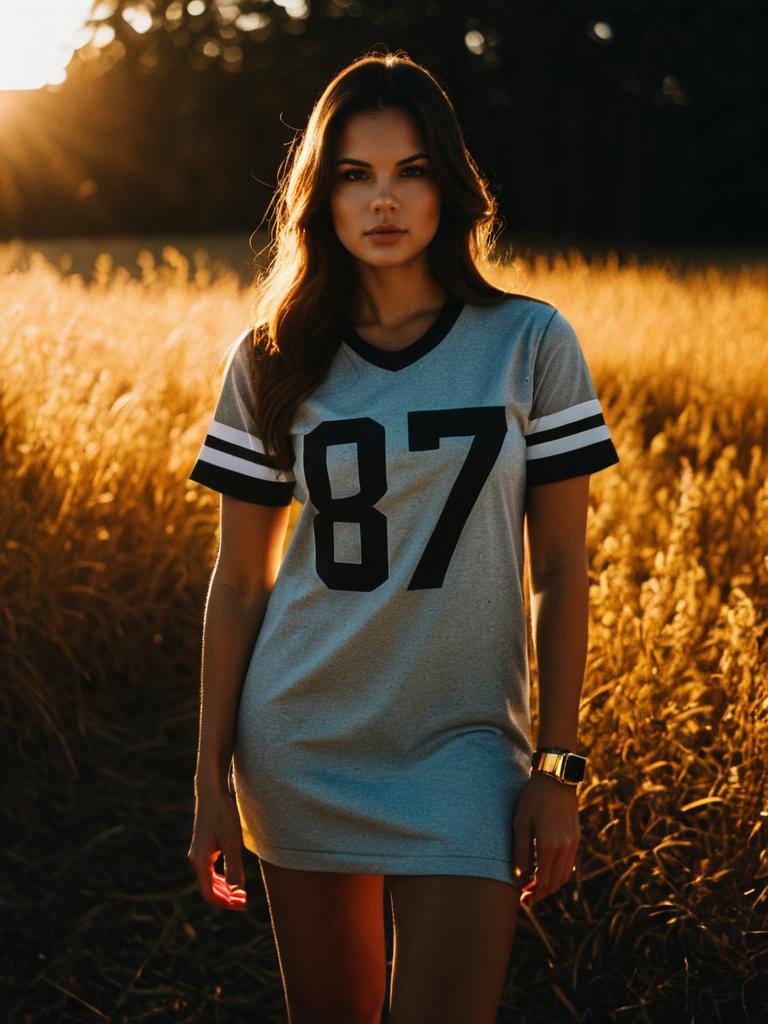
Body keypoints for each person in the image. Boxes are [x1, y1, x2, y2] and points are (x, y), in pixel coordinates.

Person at [186, 50, 620, 1024]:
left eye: (411, 170)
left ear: (449, 186)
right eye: (356, 174)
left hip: (467, 747)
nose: (384, 199)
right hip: (302, 739)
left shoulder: (530, 342)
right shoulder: (270, 357)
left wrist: (557, 766)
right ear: (322, 195)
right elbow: (241, 581)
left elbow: (560, 569)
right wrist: (208, 778)